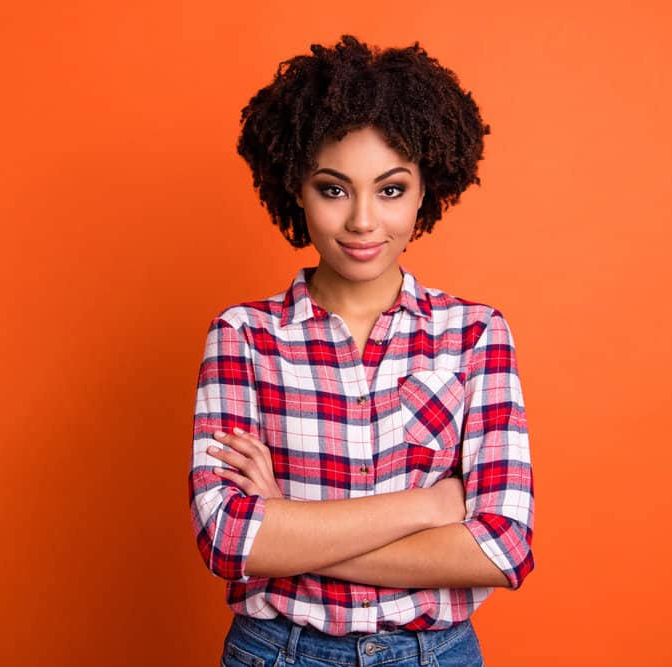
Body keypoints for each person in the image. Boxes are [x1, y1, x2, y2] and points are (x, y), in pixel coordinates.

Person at [189, 34, 534, 667]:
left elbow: (500, 551)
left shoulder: (476, 333)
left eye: (391, 189)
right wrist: (427, 507)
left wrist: (291, 526)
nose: (364, 222)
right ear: (295, 186)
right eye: (335, 188)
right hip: (278, 652)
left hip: (436, 653)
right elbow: (228, 540)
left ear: (428, 188)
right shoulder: (243, 336)